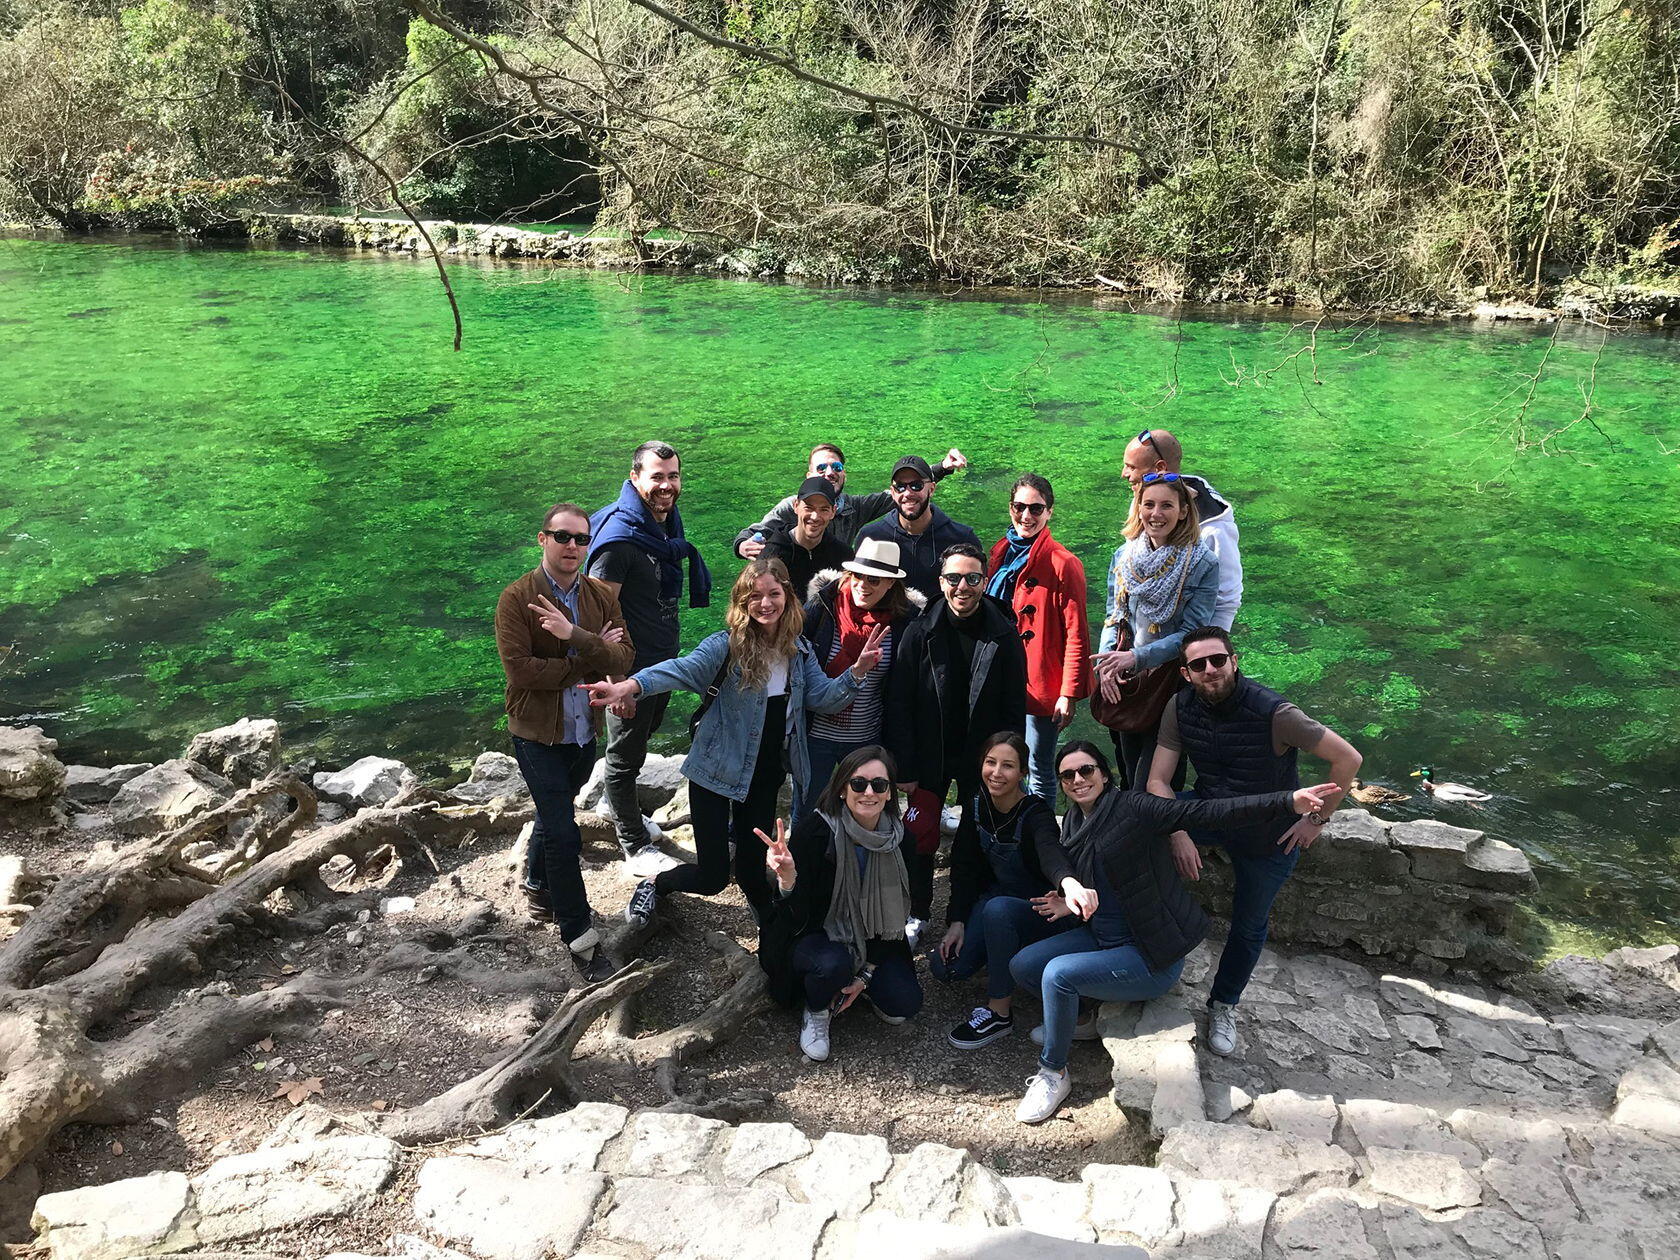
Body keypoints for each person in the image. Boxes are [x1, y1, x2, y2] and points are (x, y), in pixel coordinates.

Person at [1010, 740, 1341, 1124]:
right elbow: (1083, 868)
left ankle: (1055, 1073)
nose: (1078, 780)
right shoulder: (1073, 821)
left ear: (1103, 773)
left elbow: (1204, 810)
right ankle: (1080, 1023)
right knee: (1024, 965)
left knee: (1057, 974)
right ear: (1061, 784)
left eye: (1086, 770)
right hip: (1103, 935)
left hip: (1148, 952)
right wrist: (1070, 897)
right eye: (1068, 775)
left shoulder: (1134, 809)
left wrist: (1286, 802)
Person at [580, 558, 885, 928]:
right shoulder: (725, 647)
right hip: (713, 770)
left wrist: (857, 673)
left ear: (788, 597)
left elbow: (823, 698)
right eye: (755, 596)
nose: (765, 603)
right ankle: (654, 884)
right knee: (712, 878)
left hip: (765, 774)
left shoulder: (798, 652)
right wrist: (627, 685)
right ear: (742, 602)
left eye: (774, 594)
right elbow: (678, 670)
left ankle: (770, 922)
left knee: (753, 869)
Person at [1146, 626, 1364, 1057]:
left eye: (1218, 660)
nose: (1210, 670)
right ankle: (1137, 952)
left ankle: (1224, 1004)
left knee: (1249, 926)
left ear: (1234, 661)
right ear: (1186, 673)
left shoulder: (1275, 713)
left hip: (1270, 832)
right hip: (1209, 812)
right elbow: (1157, 780)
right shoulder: (1179, 706)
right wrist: (1178, 830)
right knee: (1135, 829)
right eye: (1198, 664)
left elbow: (1348, 759)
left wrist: (1316, 821)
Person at [494, 502, 634, 982]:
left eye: (581, 539)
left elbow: (624, 654)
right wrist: (589, 653)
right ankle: (580, 938)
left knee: (554, 813)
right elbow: (522, 672)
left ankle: (536, 884)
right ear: (543, 539)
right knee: (563, 829)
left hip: (581, 733)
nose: (572, 546)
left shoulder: (597, 595)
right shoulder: (517, 599)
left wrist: (574, 635)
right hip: (536, 734)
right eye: (563, 536)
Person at [886, 542, 1027, 939]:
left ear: (985, 581)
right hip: (929, 754)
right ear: (940, 581)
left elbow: (1014, 706)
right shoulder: (919, 629)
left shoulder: (1003, 632)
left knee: (973, 839)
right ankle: (918, 911)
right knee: (919, 836)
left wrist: (1010, 764)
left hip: (982, 758)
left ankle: (960, 915)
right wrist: (906, 766)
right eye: (953, 578)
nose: (962, 587)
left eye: (972, 578)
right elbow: (900, 702)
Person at [587, 441, 712, 877]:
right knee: (623, 757)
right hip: (630, 669)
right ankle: (634, 846)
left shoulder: (662, 521)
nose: (666, 486)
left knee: (645, 734)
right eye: (657, 476)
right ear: (635, 476)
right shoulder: (618, 543)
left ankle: (610, 804)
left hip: (660, 660)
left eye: (673, 476)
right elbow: (599, 614)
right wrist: (616, 680)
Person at [758, 746, 922, 1062]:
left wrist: (867, 976)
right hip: (815, 934)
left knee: (906, 1004)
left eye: (879, 785)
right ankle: (817, 1009)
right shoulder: (817, 831)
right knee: (832, 966)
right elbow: (794, 916)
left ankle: (855, 983)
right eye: (859, 784)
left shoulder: (901, 841)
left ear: (889, 793)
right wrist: (789, 880)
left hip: (873, 937)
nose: (869, 792)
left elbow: (896, 918)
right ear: (843, 789)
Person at [934, 732, 1076, 1049]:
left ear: (1023, 773)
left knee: (997, 909)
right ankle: (1001, 952)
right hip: (996, 898)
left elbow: (1051, 852)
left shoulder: (1036, 813)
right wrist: (957, 920)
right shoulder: (975, 804)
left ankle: (999, 1013)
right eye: (990, 763)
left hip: (1038, 909)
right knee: (946, 969)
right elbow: (964, 867)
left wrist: (1066, 882)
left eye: (1008, 766)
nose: (997, 773)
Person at [1093, 472, 1218, 791]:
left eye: (1166, 505)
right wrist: (1106, 666)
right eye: (1148, 504)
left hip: (1173, 685)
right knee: (1128, 769)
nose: (1156, 514)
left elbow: (1193, 635)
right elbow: (1114, 616)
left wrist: (1135, 658)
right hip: (1129, 681)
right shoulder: (1123, 557)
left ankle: (1165, 837)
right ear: (1138, 507)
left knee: (1155, 781)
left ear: (1184, 511)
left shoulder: (1203, 562)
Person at [794, 538, 925, 824]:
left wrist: (906, 761)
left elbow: (904, 697)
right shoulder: (823, 607)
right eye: (859, 576)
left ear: (891, 584)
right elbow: (793, 655)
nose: (864, 585)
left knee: (866, 816)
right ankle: (801, 868)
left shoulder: (907, 623)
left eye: (875, 580)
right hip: (816, 736)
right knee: (806, 814)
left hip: (867, 739)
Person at [987, 473, 1092, 798]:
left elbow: (1077, 632)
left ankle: (1039, 841)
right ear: (1010, 508)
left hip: (1041, 683)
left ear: (1049, 512)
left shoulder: (1064, 563)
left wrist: (1068, 693)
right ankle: (1009, 830)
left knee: (1038, 767)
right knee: (1003, 763)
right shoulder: (1001, 551)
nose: (1026, 516)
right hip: (1001, 677)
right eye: (1020, 507)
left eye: (1036, 509)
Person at [734, 443, 968, 557]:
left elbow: (899, 494)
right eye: (821, 467)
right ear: (809, 475)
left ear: (844, 473)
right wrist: (743, 544)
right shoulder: (791, 507)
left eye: (836, 467)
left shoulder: (852, 507)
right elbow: (757, 531)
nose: (829, 472)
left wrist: (943, 467)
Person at [1121, 428, 1243, 630]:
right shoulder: (1141, 501)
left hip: (1187, 643)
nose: (1124, 474)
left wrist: (1209, 650)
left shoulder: (1214, 529)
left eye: (1131, 467)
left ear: (1160, 468)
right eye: (1149, 505)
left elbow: (1226, 600)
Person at [855, 456, 984, 604]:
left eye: (916, 485)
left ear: (932, 489)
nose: (908, 493)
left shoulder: (962, 538)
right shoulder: (871, 536)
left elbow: (977, 592)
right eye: (900, 487)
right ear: (892, 492)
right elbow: (858, 590)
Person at [758, 476, 854, 599]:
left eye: (824, 509)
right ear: (796, 506)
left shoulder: (843, 555)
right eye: (809, 508)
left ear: (833, 512)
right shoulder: (771, 555)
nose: (815, 516)